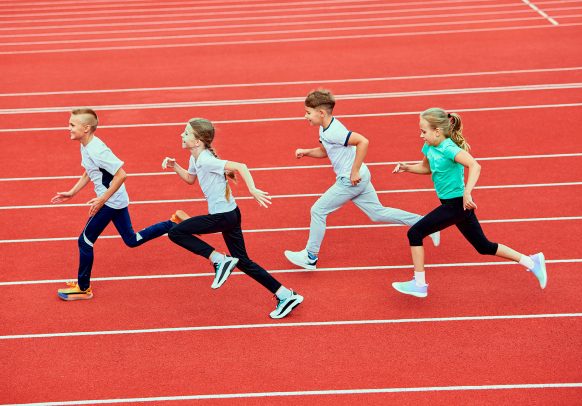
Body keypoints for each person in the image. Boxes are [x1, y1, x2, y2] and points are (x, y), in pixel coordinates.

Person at [391, 107, 547, 298]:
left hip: (456, 204)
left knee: (415, 232)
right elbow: (426, 168)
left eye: (424, 131)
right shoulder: (430, 147)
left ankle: (420, 284)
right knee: (483, 246)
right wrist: (406, 168)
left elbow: (475, 165)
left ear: (437, 131)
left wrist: (467, 193)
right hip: (456, 206)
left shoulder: (449, 148)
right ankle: (532, 262)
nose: (420, 135)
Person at [284, 89, 440, 270]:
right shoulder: (324, 129)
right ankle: (428, 224)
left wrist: (354, 171)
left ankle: (310, 256)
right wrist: (306, 152)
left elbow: (363, 141)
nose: (305, 116)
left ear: (321, 113)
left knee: (318, 210)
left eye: (308, 113)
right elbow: (325, 152)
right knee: (377, 213)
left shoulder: (335, 131)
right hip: (361, 177)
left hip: (350, 181)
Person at [163, 118, 303, 319]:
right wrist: (175, 165)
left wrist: (252, 189)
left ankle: (219, 260)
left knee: (176, 232)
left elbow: (241, 166)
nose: (181, 135)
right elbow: (190, 179)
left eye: (186, 133)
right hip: (231, 214)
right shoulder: (195, 158)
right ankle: (285, 295)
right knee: (244, 262)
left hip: (223, 216)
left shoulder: (205, 159)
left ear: (198, 141)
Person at [52, 108, 176, 301]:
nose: (68, 128)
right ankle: (171, 223)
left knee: (85, 241)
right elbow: (89, 171)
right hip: (116, 199)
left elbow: (122, 175)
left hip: (110, 202)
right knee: (132, 240)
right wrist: (72, 192)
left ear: (86, 128)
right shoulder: (86, 145)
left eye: (71, 125)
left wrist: (102, 200)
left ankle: (83, 288)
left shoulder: (97, 149)